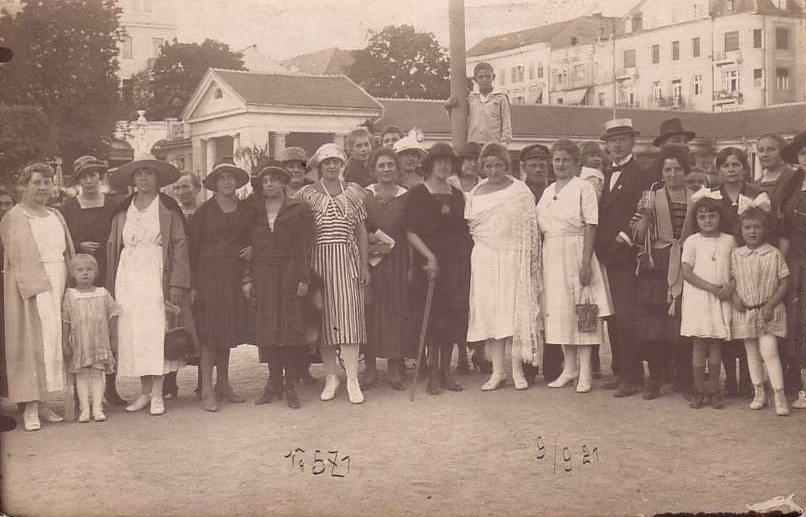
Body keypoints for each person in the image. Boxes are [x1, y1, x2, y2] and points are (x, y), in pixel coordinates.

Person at [107, 154, 195, 417]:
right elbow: (114, 246)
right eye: (139, 173)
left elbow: (180, 246)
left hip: (157, 272)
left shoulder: (168, 207)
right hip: (128, 275)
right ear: (132, 179)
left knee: (156, 331)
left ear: (157, 178)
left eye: (149, 173)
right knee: (133, 333)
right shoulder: (123, 209)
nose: (144, 178)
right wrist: (111, 284)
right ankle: (144, 392)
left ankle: (158, 393)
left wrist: (178, 283)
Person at [1, 163, 75, 431]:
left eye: (47, 182)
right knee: (31, 343)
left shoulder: (55, 214)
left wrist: (71, 279)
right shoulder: (15, 216)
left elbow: (67, 250)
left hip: (58, 279)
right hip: (28, 285)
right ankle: (29, 406)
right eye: (36, 182)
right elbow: (17, 257)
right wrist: (35, 286)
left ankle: (43, 402)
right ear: (25, 185)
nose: (43, 187)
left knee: (52, 341)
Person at [537, 140, 613, 393]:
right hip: (552, 254)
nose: (560, 164)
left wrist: (584, 262)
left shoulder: (584, 188)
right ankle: (568, 368)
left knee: (584, 313)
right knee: (560, 313)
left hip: (577, 250)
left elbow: (591, 224)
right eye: (557, 160)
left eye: (566, 160)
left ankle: (585, 372)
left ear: (576, 162)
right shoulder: (548, 191)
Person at [297, 143, 370, 404]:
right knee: (324, 320)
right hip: (318, 263)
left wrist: (363, 266)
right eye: (326, 162)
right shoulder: (306, 194)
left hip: (347, 259)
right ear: (318, 165)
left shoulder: (352, 193)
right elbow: (301, 234)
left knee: (349, 319)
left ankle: (352, 378)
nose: (331, 166)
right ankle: (331, 376)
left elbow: (361, 231)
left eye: (335, 162)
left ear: (342, 165)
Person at [466, 143, 541, 391]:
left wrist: (526, 262)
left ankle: (517, 370)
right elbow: (473, 227)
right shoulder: (475, 192)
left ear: (506, 166)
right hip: (485, 258)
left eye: (498, 165)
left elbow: (530, 231)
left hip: (512, 257)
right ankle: (498, 372)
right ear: (482, 167)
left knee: (512, 314)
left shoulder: (520, 191)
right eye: (488, 165)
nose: (494, 170)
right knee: (491, 315)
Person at [404, 143, 472, 395]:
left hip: (455, 265)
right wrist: (430, 257)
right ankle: (432, 373)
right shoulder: (418, 194)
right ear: (430, 165)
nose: (444, 165)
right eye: (438, 161)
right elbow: (410, 232)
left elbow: (463, 231)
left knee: (452, 318)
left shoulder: (456, 194)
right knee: (431, 317)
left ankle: (446, 370)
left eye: (448, 161)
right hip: (429, 265)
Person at [59, 155, 126, 407]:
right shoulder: (67, 208)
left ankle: (110, 387)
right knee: (81, 328)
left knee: (107, 326)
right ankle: (80, 391)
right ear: (78, 180)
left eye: (93, 175)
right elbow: (61, 239)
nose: (89, 180)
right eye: (84, 176)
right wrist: (79, 245)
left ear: (100, 176)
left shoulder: (113, 205)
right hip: (80, 275)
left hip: (108, 271)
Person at [245, 165, 314, 409]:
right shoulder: (254, 209)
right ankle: (273, 383)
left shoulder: (298, 208)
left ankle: (290, 385)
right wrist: (248, 279)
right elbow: (246, 244)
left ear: (284, 183)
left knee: (290, 329)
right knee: (268, 329)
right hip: (263, 274)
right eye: (265, 181)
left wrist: (304, 279)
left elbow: (304, 247)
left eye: (275, 180)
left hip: (290, 272)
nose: (269, 184)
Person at [595, 118, 655, 397]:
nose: (617, 145)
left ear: (632, 142)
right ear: (606, 146)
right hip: (605, 254)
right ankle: (621, 371)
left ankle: (632, 377)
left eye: (622, 139)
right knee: (613, 316)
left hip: (626, 254)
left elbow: (644, 211)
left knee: (628, 317)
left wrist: (625, 238)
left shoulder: (641, 174)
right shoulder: (605, 174)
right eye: (612, 140)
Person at [632, 146, 695, 400]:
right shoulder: (650, 197)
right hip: (656, 263)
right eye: (667, 169)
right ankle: (655, 378)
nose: (672, 174)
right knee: (653, 325)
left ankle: (685, 380)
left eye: (677, 169)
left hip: (687, 263)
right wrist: (646, 218)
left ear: (686, 171)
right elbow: (637, 235)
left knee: (683, 322)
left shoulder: (696, 198)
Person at [190, 162, 254, 412]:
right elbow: (193, 250)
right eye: (221, 178)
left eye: (231, 178)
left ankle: (224, 384)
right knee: (209, 334)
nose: (227, 182)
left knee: (226, 332)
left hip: (234, 276)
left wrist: (253, 249)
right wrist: (193, 284)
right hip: (209, 277)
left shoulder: (246, 210)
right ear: (214, 184)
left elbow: (254, 236)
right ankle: (206, 388)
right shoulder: (204, 212)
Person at [730, 204, 790, 416]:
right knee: (751, 352)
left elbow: (784, 283)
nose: (752, 232)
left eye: (757, 227)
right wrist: (734, 297)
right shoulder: (736, 254)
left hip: (768, 311)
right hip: (746, 311)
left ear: (764, 229)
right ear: (741, 230)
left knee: (770, 352)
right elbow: (731, 280)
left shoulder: (773, 254)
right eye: (747, 227)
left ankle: (779, 394)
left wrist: (771, 304)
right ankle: (759, 392)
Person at [680, 193, 736, 409]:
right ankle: (699, 389)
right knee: (699, 343)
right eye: (702, 216)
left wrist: (729, 286)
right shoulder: (692, 241)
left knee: (716, 344)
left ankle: (714, 389)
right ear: (696, 220)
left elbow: (735, 269)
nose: (708, 220)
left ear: (720, 217)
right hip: (699, 298)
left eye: (712, 215)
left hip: (721, 299)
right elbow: (686, 271)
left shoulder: (729, 240)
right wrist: (712, 288)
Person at [361, 147, 410, 390]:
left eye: (390, 164)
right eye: (381, 165)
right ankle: (369, 366)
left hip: (397, 262)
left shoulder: (406, 196)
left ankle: (393, 366)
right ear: (373, 169)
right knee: (369, 312)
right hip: (370, 262)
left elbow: (410, 232)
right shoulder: (364, 195)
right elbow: (358, 229)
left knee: (394, 311)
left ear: (397, 168)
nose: (386, 169)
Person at [61, 254, 118, 423]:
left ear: (96, 273)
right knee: (82, 375)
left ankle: (98, 408)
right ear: (73, 274)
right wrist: (65, 343)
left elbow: (113, 315)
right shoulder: (70, 295)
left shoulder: (103, 293)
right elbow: (65, 321)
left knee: (98, 373)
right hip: (80, 343)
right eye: (80, 270)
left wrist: (114, 338)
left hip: (99, 342)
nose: (85, 273)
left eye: (89, 269)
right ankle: (85, 409)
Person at [164, 171, 203, 400]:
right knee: (172, 326)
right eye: (177, 188)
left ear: (197, 188)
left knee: (200, 330)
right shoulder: (172, 213)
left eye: (186, 187)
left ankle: (202, 381)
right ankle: (170, 382)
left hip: (200, 275)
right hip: (177, 275)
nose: (181, 192)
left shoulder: (204, 212)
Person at [775, 131, 806, 406]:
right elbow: (784, 230)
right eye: (804, 153)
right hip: (796, 260)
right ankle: (798, 384)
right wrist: (780, 266)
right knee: (796, 318)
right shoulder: (792, 186)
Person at [446, 62, 512, 145]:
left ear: (493, 77)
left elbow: (506, 121)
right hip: (473, 143)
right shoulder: (470, 98)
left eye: (487, 76)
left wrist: (504, 142)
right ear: (475, 79)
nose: (484, 80)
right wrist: (448, 107)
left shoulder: (500, 98)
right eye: (481, 77)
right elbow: (459, 118)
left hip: (493, 143)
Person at [756, 133, 793, 197]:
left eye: (770, 149)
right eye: (761, 150)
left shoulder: (794, 178)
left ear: (782, 152)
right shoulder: (756, 184)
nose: (765, 154)